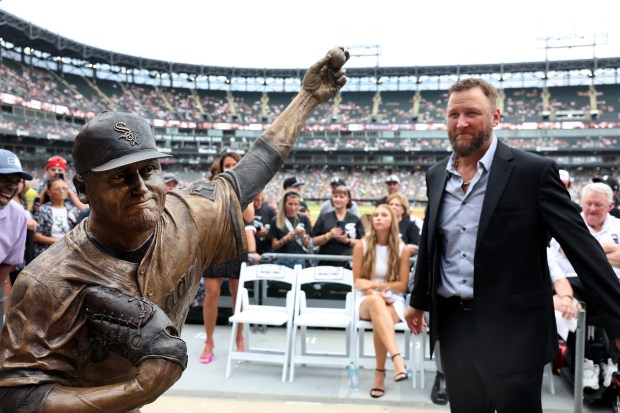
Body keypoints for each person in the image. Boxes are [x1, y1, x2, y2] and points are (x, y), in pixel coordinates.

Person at [0, 48, 348, 412]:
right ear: (84, 190)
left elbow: (252, 169)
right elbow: (16, 395)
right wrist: (138, 389)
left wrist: (307, 98)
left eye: (149, 169)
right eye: (120, 176)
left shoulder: (186, 217)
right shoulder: (47, 282)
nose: (140, 186)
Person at [404, 78, 620, 413]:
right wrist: (418, 300)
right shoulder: (436, 175)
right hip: (454, 329)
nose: (461, 122)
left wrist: (617, 320)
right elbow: (432, 246)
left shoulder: (532, 172)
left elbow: (583, 248)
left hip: (515, 334)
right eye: (453, 114)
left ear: (495, 117)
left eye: (472, 113)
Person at [199, 151, 261, 364]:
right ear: (221, 166)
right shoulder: (213, 186)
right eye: (227, 164)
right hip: (215, 245)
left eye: (235, 164)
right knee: (212, 293)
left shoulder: (245, 188)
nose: (231, 167)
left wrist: (237, 190)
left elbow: (249, 216)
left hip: (236, 245)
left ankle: (239, 338)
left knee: (238, 294)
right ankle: (209, 341)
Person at [352, 204, 410, 398]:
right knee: (377, 304)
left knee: (381, 318)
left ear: (392, 220)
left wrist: (378, 287)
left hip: (394, 301)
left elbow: (402, 285)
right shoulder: (362, 245)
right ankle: (397, 359)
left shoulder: (402, 249)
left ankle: (379, 375)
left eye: (383, 215)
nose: (377, 218)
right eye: (375, 214)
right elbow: (358, 282)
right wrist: (376, 291)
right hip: (365, 299)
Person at [0, 149, 33, 315]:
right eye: (4, 179)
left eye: (16, 181)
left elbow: (8, 263)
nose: (11, 186)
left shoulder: (18, 214)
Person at [311, 185, 364, 267]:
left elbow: (363, 243)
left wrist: (347, 240)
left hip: (348, 265)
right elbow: (313, 242)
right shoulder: (323, 218)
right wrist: (329, 235)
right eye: (335, 196)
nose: (338, 199)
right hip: (326, 264)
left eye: (341, 197)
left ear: (348, 200)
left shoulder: (355, 219)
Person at [32, 177, 80, 259]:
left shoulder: (73, 210)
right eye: (58, 188)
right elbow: (36, 235)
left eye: (64, 188)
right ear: (49, 192)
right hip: (47, 254)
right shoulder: (42, 210)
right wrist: (59, 242)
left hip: (69, 253)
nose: (62, 191)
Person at [268, 190, 311, 268]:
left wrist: (303, 236)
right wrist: (285, 239)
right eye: (290, 204)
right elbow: (274, 245)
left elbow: (308, 245)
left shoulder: (304, 219)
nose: (293, 207)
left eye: (296, 204)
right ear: (284, 204)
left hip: (300, 259)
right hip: (281, 260)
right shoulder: (276, 220)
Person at [386, 192, 420, 257]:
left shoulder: (411, 226)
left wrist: (395, 251)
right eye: (391, 204)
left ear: (403, 210)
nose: (393, 207)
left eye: (397, 205)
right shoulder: (382, 224)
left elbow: (415, 248)